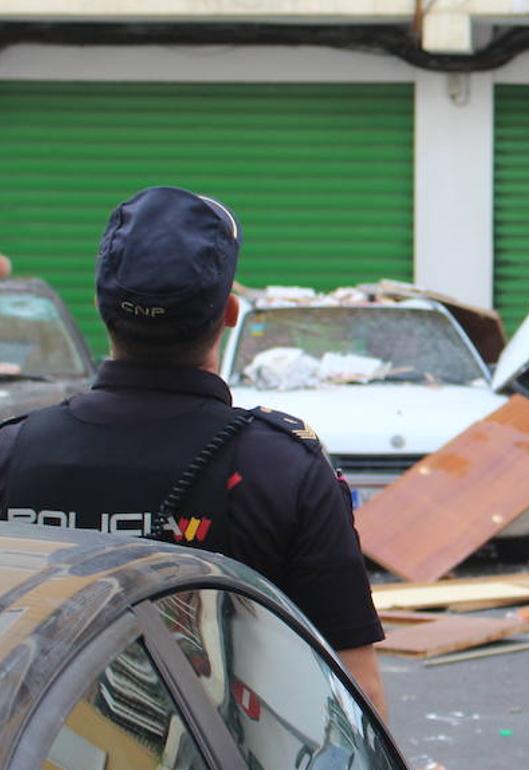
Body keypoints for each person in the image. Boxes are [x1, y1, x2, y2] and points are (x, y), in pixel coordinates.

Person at [0, 186, 388, 719]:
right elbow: (354, 696)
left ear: (99, 305)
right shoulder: (284, 468)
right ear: (229, 313)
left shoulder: (12, 453)